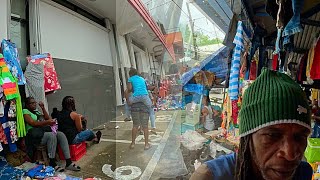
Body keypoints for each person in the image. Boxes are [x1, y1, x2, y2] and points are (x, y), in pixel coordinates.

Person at [190, 69, 313, 180]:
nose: (290, 154)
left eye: (300, 137)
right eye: (273, 135)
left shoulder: (303, 173)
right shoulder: (211, 176)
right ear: (247, 137)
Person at [23, 97, 80, 172]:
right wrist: (47, 122)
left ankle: (68, 162)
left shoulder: (36, 111)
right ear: (27, 105)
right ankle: (52, 162)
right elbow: (33, 123)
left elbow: (47, 118)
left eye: (34, 103)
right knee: (51, 135)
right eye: (31, 103)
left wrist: (43, 108)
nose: (34, 104)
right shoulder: (25, 111)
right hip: (34, 135)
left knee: (60, 134)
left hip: (42, 132)